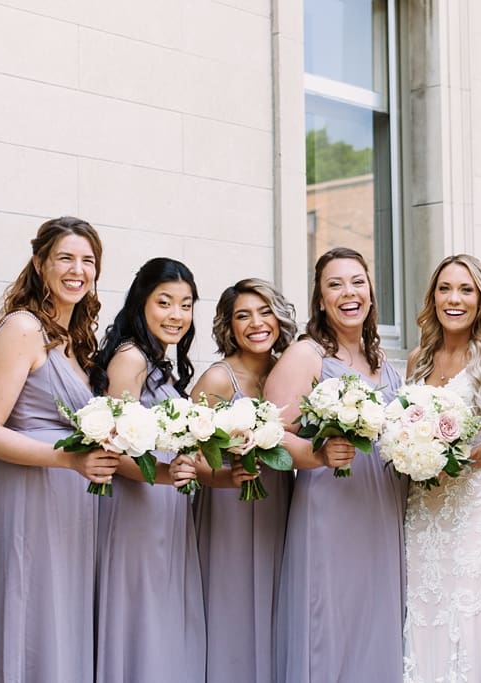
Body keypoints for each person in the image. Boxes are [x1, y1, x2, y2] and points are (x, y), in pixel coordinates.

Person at [0, 217, 119, 682]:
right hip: (28, 500)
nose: (78, 269)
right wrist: (67, 459)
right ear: (40, 263)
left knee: (61, 629)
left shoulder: (74, 342)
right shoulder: (23, 328)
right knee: (28, 623)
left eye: (88, 260)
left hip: (71, 508)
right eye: (65, 258)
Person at [268, 247, 407, 683]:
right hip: (331, 509)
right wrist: (320, 454)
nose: (349, 293)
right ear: (320, 298)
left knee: (376, 619)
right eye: (335, 284)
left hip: (382, 509)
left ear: (370, 290)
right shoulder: (307, 355)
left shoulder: (382, 362)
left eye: (357, 282)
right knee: (330, 623)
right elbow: (269, 435)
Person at [89, 257, 206, 683]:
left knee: (161, 617)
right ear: (142, 301)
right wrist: (164, 475)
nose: (176, 315)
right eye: (165, 302)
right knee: (140, 617)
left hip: (163, 507)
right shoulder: (131, 358)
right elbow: (113, 447)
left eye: (186, 304)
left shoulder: (159, 363)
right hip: (136, 509)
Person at [184, 279, 299, 683]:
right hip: (228, 508)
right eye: (243, 316)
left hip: (278, 502)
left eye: (264, 312)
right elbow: (184, 452)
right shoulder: (218, 380)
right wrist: (225, 476)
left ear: (279, 318)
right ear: (228, 327)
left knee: (273, 604)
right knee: (231, 604)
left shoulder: (289, 373)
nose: (256, 324)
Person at [402, 255, 481, 682]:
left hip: (473, 509)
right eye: (446, 288)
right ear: (433, 297)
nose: (455, 298)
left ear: (480, 300)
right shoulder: (417, 359)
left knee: (471, 615)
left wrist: (476, 455)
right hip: (423, 510)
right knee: (424, 610)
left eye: (466, 290)